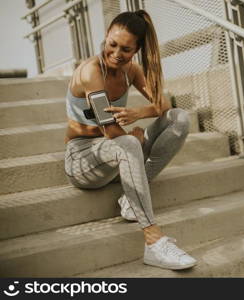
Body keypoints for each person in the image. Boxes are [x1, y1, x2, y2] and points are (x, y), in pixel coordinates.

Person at [64, 10, 197, 270]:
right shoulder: (91, 72)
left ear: (136, 49)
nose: (116, 53)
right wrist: (132, 139)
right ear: (106, 37)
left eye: (125, 49)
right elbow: (112, 132)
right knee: (128, 144)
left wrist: (139, 113)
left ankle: (130, 201)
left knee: (178, 118)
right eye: (112, 44)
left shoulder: (131, 70)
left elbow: (163, 104)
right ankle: (153, 242)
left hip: (116, 152)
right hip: (83, 160)